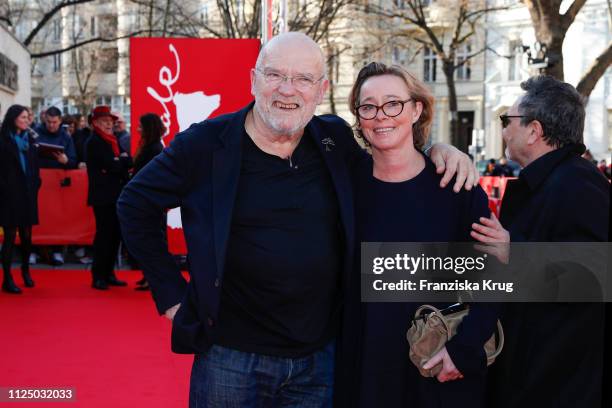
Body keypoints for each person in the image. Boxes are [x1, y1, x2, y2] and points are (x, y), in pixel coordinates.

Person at [117, 32, 478, 407]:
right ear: (254, 80)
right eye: (275, 75)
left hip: (319, 359)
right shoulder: (206, 144)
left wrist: (438, 149)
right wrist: (171, 296)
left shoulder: (333, 139)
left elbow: (390, 160)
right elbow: (134, 203)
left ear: (320, 89)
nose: (287, 90)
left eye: (303, 79)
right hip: (231, 357)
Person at [335, 62, 498, 408]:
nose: (381, 115)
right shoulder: (344, 185)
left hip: (437, 370)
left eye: (393, 103)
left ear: (416, 109)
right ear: (359, 117)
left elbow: (495, 273)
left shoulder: (456, 186)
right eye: (368, 106)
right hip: (363, 370)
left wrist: (464, 350)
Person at [471, 75, 609, 407]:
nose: (504, 130)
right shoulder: (556, 180)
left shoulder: (578, 183)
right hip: (540, 372)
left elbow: (596, 275)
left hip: (560, 382)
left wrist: (513, 251)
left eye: (509, 121)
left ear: (534, 131)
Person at [86, 106, 132, 290]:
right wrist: (119, 162)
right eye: (105, 121)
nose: (109, 124)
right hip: (103, 196)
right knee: (104, 236)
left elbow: (127, 161)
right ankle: (98, 275)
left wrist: (118, 162)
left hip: (116, 194)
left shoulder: (113, 140)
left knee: (115, 236)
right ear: (95, 123)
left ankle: (109, 273)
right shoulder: (94, 142)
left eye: (110, 121)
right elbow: (110, 165)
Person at [0, 105, 41, 294]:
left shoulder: (30, 139)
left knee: (26, 237)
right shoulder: (3, 140)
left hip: (27, 194)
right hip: (9, 196)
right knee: (9, 237)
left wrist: (35, 184)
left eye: (28, 117)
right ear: (14, 118)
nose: (27, 120)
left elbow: (34, 165)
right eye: (23, 117)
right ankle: (7, 277)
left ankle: (26, 271)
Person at [34, 106, 77, 266]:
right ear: (45, 120)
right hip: (38, 182)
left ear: (60, 121)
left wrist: (67, 161)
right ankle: (35, 250)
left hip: (57, 184)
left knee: (57, 217)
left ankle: (57, 250)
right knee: (38, 216)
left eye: (55, 122)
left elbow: (73, 160)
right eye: (49, 122)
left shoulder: (66, 137)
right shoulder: (36, 133)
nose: (51, 125)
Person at [131, 113, 166, 290]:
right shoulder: (151, 146)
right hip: (148, 201)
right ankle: (149, 277)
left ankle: (153, 279)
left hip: (150, 202)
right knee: (149, 241)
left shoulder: (154, 148)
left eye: (140, 126)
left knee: (152, 242)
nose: (137, 128)